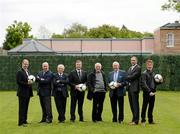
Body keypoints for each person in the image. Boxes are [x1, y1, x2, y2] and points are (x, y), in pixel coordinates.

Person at [141, 59, 163, 126]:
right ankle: (143, 120)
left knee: (151, 107)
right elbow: (143, 84)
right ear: (146, 65)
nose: (149, 66)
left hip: (153, 93)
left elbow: (154, 83)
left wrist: (160, 81)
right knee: (144, 107)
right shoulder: (144, 73)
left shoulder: (153, 73)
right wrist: (149, 91)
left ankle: (150, 120)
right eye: (148, 65)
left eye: (151, 65)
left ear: (152, 66)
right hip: (147, 93)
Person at [16, 59, 33, 126]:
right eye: (25, 64)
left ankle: (24, 120)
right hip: (22, 93)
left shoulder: (28, 71)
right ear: (22, 64)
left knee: (26, 107)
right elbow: (18, 82)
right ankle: (20, 122)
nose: (26, 65)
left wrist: (30, 82)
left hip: (28, 93)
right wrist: (27, 83)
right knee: (22, 108)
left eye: (27, 64)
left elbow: (29, 80)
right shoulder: (19, 72)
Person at [126, 56, 141, 125]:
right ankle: (133, 119)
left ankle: (136, 121)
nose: (133, 61)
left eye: (134, 60)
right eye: (132, 60)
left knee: (135, 105)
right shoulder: (129, 68)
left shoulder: (138, 68)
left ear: (136, 61)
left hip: (134, 89)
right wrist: (128, 77)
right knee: (131, 104)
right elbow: (129, 76)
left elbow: (134, 76)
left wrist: (126, 77)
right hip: (129, 88)